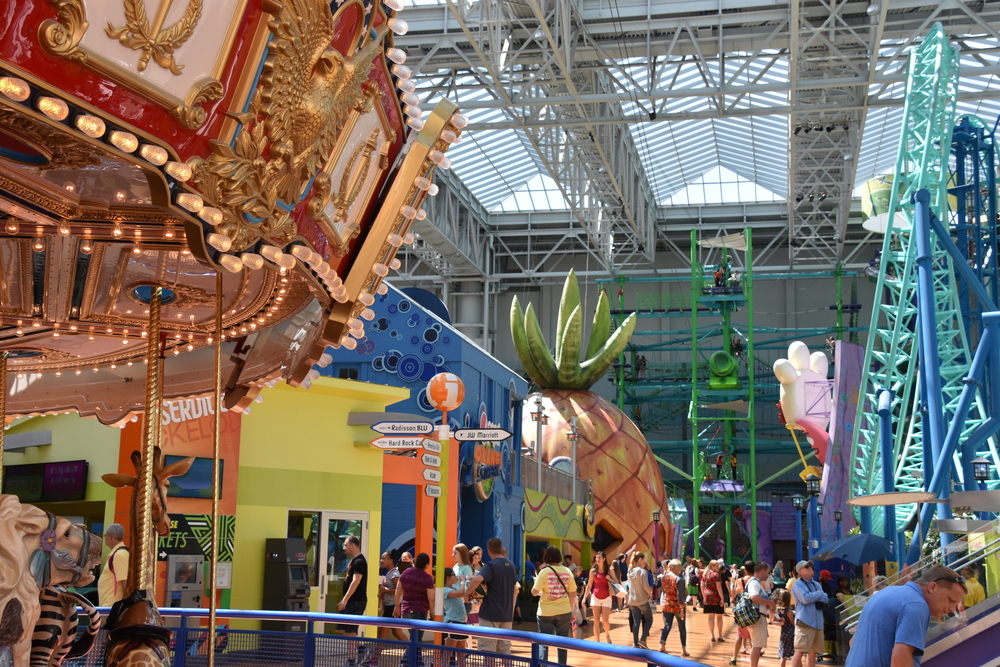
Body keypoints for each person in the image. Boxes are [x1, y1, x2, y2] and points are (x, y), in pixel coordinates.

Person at [845, 564, 966, 667]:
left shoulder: (887, 593)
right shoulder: (916, 605)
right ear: (932, 587)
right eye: (951, 600)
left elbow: (853, 642)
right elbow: (900, 658)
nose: (951, 609)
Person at [465, 538, 518, 655]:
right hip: (506, 614)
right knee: (504, 650)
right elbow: (515, 590)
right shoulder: (511, 566)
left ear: (489, 551)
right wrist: (512, 610)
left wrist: (467, 593)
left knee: (488, 651)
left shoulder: (490, 566)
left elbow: (477, 579)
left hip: (490, 614)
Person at [531, 546, 576, 664]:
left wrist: (542, 590)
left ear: (546, 557)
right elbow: (573, 594)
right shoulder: (567, 571)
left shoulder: (544, 572)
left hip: (545, 612)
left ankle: (543, 665)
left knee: (543, 642)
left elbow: (534, 592)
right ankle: (562, 665)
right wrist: (571, 610)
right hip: (564, 611)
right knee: (562, 643)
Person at [789, 560, 830, 667]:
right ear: (800, 571)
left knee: (813, 653)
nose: (810, 567)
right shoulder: (797, 584)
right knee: (799, 651)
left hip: (818, 622)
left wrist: (816, 595)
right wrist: (819, 594)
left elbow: (826, 599)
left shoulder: (816, 584)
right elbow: (805, 598)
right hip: (805, 622)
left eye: (810, 566)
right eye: (806, 566)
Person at [736, 561, 775, 667]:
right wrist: (769, 602)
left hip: (756, 616)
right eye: (767, 572)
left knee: (757, 645)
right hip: (757, 617)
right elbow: (754, 597)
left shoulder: (754, 582)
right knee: (757, 646)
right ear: (762, 571)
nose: (768, 575)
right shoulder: (755, 582)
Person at [583, 550, 618, 644]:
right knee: (596, 620)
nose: (597, 559)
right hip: (595, 596)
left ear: (604, 559)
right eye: (596, 557)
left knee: (605, 620)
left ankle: (607, 635)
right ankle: (597, 642)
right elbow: (589, 585)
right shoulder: (593, 571)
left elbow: (616, 582)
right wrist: (584, 598)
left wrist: (609, 579)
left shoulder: (609, 571)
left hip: (607, 597)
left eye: (599, 557)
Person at [336, 535, 367, 636]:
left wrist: (344, 600)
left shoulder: (359, 562)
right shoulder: (353, 561)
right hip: (350, 602)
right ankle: (361, 648)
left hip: (356, 602)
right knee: (341, 629)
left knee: (350, 632)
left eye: (345, 545)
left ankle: (356, 650)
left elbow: (356, 581)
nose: (343, 548)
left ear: (352, 545)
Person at [658, 559, 689, 656]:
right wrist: (682, 609)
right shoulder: (679, 579)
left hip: (666, 604)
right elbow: (680, 596)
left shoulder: (664, 577)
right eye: (679, 567)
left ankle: (662, 645)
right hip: (677, 606)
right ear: (676, 568)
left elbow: (664, 590)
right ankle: (683, 649)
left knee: (667, 625)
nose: (680, 569)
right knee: (682, 628)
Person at [377, 552, 408, 642]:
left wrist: (385, 590)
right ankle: (411, 652)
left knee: (381, 633)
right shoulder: (390, 573)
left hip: (392, 607)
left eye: (383, 558)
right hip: (391, 607)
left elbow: (401, 591)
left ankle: (374, 656)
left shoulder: (394, 574)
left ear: (390, 560)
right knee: (397, 633)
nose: (381, 560)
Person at [395, 552, 435, 620]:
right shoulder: (427, 578)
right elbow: (431, 598)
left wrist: (397, 606)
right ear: (427, 565)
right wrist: (432, 612)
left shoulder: (405, 572)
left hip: (405, 610)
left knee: (411, 630)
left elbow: (398, 590)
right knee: (417, 630)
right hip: (420, 611)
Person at [627, 551, 654, 649]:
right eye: (644, 559)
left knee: (636, 622)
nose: (645, 561)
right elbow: (646, 587)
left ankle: (635, 643)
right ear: (640, 560)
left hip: (632, 601)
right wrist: (650, 594)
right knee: (649, 619)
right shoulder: (644, 572)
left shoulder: (630, 571)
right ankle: (642, 640)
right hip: (642, 600)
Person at [98, 523, 129, 607]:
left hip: (113, 606)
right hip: (110, 605)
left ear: (110, 536)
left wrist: (125, 605)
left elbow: (125, 581)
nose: (105, 538)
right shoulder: (117, 553)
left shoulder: (120, 554)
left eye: (105, 536)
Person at [443, 567, 470, 653]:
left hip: (462, 622)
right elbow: (459, 594)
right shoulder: (444, 590)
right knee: (448, 653)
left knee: (461, 653)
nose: (456, 576)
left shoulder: (454, 588)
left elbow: (464, 595)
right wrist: (462, 581)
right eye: (454, 574)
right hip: (452, 622)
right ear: (448, 577)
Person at [702, 560, 725, 643]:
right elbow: (719, 587)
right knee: (719, 617)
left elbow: (702, 586)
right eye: (716, 566)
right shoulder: (717, 575)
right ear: (712, 566)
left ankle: (712, 635)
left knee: (710, 616)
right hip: (716, 597)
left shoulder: (705, 574)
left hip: (707, 597)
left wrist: (704, 595)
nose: (718, 567)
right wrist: (722, 598)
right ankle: (720, 635)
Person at [773, 589, 795, 667]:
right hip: (792, 633)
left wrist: (781, 623)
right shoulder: (789, 611)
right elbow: (793, 623)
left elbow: (773, 621)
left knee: (783, 655)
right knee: (796, 654)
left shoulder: (777, 610)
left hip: (784, 634)